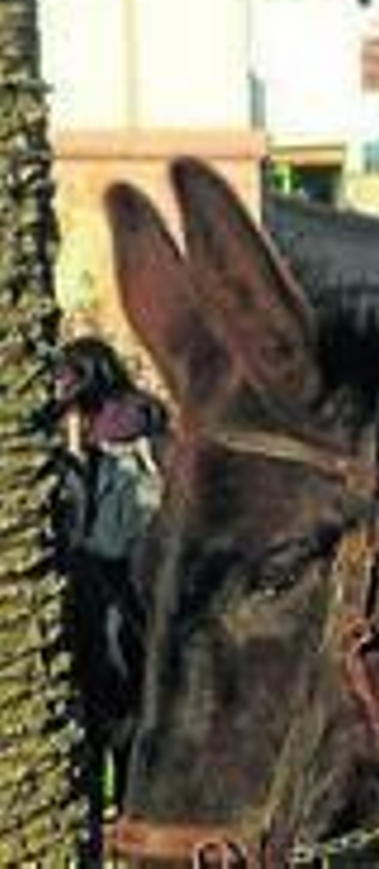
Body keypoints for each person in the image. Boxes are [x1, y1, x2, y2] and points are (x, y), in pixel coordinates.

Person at [54, 335, 168, 810]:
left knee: (119, 692)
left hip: (117, 578)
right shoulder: (81, 432)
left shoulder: (125, 427)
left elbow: (110, 533)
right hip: (101, 579)